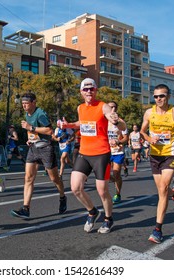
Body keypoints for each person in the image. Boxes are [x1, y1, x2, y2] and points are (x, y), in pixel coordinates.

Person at [61, 78, 119, 234]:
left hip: (101, 153)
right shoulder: (80, 107)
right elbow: (82, 123)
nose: (88, 92)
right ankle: (92, 211)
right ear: (81, 92)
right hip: (84, 153)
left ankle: (108, 219)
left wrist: (113, 118)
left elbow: (109, 115)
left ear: (96, 90)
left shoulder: (103, 106)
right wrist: (69, 125)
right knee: (75, 188)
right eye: (85, 89)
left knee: (102, 191)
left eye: (91, 89)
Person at [140, 84, 174, 244]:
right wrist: (148, 139)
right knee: (162, 191)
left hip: (170, 154)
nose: (158, 99)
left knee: (162, 189)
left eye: (161, 96)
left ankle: (157, 229)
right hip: (155, 155)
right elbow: (142, 131)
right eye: (156, 96)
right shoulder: (149, 113)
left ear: (168, 97)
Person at [10, 92, 67, 218]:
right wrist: (30, 139)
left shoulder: (40, 113)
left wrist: (30, 128)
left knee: (54, 179)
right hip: (33, 149)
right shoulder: (27, 114)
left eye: (26, 103)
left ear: (33, 103)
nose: (24, 106)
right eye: (23, 103)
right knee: (28, 178)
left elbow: (48, 130)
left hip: (46, 149)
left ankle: (62, 197)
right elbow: (34, 132)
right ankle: (26, 208)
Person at [107, 101, 128, 204]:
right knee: (103, 174)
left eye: (114, 107)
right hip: (105, 151)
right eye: (110, 107)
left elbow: (126, 138)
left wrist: (118, 141)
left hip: (117, 152)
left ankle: (117, 193)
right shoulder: (103, 121)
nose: (112, 109)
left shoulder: (121, 122)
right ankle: (112, 179)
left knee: (116, 174)